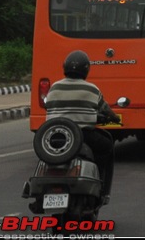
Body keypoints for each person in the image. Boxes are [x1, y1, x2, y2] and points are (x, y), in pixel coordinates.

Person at [44, 50, 121, 204]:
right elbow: (104, 109)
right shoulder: (91, 89)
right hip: (83, 135)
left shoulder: (54, 88)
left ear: (64, 67)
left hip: (55, 135)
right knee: (107, 146)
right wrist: (114, 117)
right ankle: (100, 188)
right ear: (86, 69)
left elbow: (48, 108)